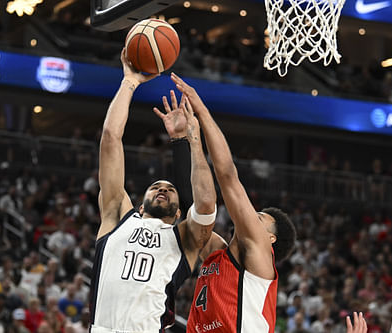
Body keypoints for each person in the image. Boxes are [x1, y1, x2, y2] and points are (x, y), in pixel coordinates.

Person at [90, 49, 217, 332]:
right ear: (140, 205)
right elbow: (111, 138)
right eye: (156, 187)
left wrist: (190, 139)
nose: (162, 188)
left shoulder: (183, 237)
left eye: (170, 189)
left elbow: (206, 203)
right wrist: (129, 82)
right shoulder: (116, 217)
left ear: (179, 212)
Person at [171, 73, 297, 333]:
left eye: (259, 217)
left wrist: (202, 111)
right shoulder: (217, 252)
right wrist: (190, 139)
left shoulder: (260, 253)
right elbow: (199, 202)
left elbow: (227, 175)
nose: (251, 215)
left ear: (270, 239)